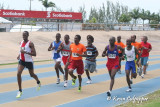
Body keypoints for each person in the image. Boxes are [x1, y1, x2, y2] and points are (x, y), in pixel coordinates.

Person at [16, 31, 41, 98]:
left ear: (28, 35)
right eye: (23, 35)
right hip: (22, 61)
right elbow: (21, 50)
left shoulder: (30, 43)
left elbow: (34, 54)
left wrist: (26, 52)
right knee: (18, 73)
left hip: (29, 61)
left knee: (31, 74)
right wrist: (19, 55)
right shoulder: (21, 42)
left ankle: (38, 81)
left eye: (25, 35)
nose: (24, 36)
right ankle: (20, 90)